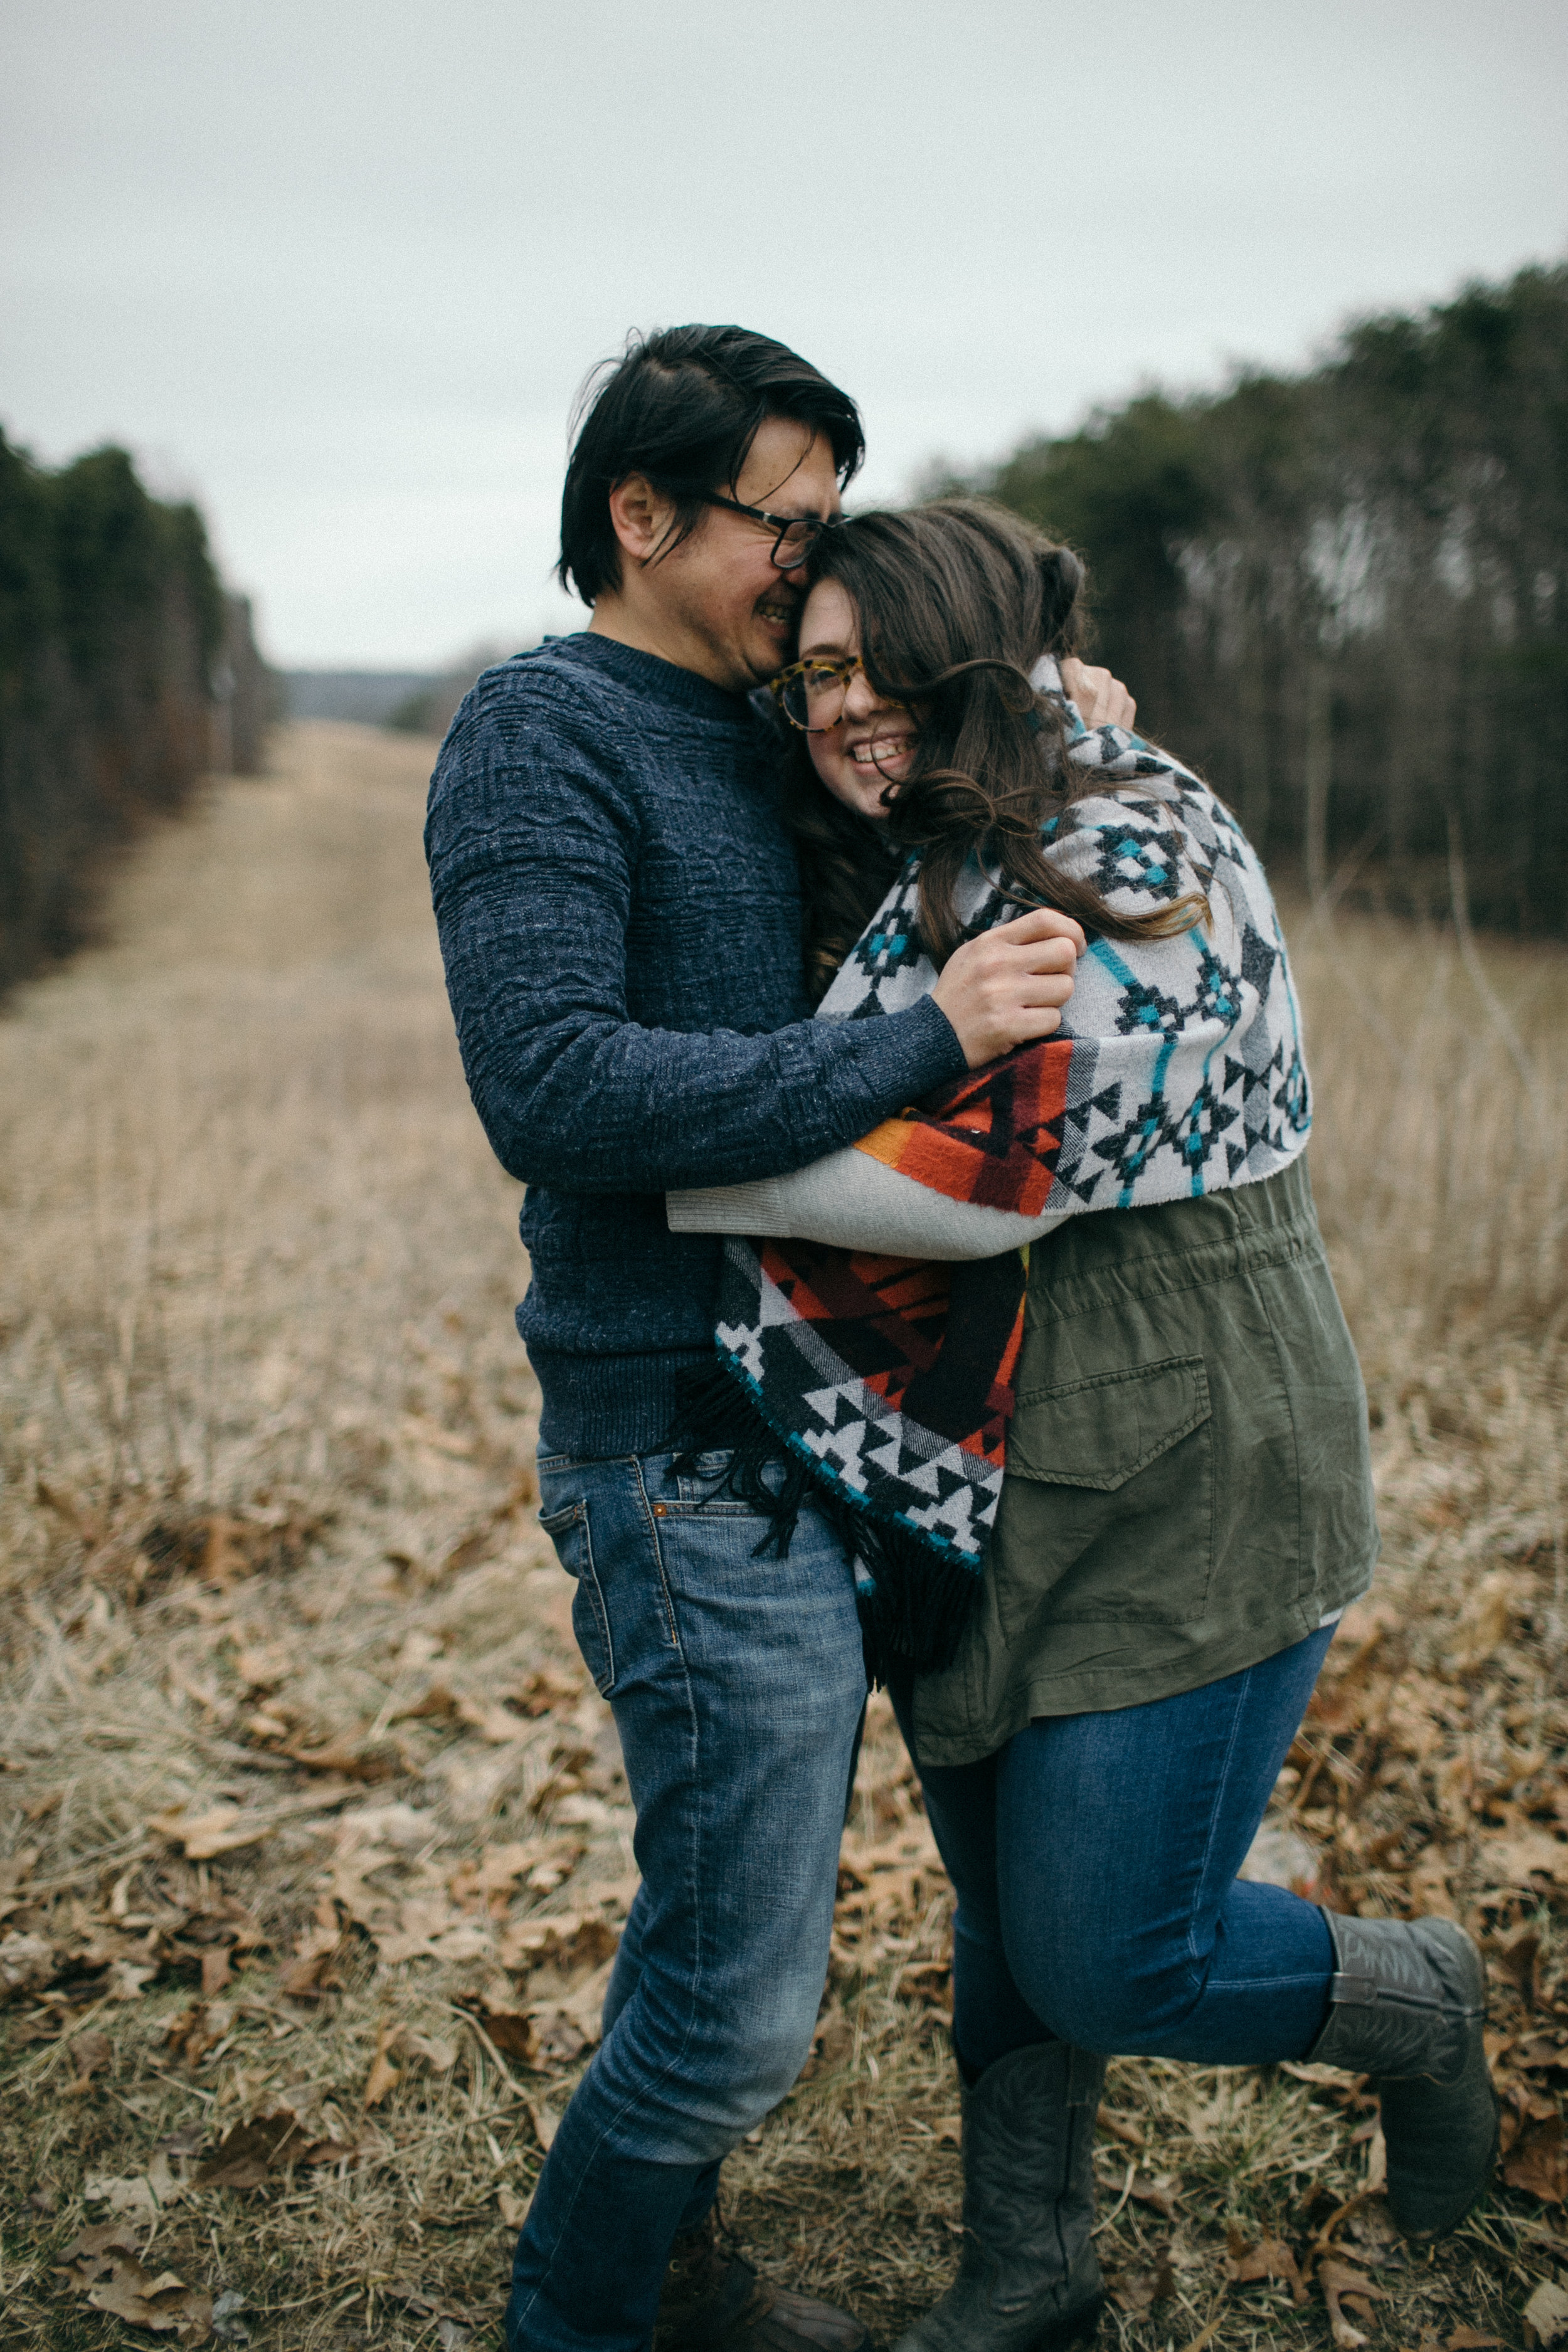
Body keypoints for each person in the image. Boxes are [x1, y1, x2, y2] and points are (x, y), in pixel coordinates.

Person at [670, 499, 1499, 2352]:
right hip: (965, 1437)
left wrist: (656, 1172)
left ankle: (1417, 2005)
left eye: (886, 667)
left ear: (986, 659)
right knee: (1006, 1912)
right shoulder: (934, 834)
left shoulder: (1128, 830)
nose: (845, 708)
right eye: (815, 673)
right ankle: (1031, 2281)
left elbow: (984, 1189)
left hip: (1190, 1428)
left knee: (1115, 1948)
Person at [424, 330, 1088, 2352]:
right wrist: (921, 1044)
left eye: (824, 534)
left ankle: (681, 2277)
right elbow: (554, 1086)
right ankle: (584, 2321)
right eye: (780, 531)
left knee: (724, 1931)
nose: (811, 583)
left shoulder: (776, 714)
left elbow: (931, 781)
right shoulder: (541, 737)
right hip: (682, 1437)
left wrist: (1049, 712)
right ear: (640, 518)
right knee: (739, 2011)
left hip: (881, 1413)